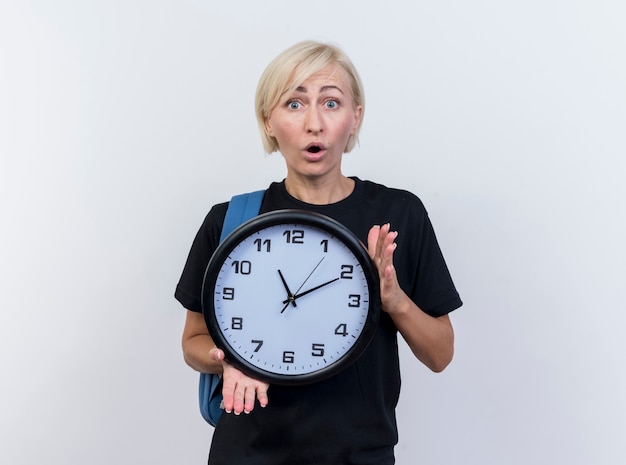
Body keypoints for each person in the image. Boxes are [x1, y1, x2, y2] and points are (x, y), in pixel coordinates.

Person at [175, 40, 462, 464]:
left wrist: (395, 301)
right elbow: (192, 343)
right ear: (269, 121)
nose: (315, 123)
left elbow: (440, 355)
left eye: (331, 102)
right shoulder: (231, 219)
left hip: (360, 454)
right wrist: (227, 362)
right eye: (294, 104)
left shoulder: (398, 212)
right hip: (247, 453)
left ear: (355, 117)